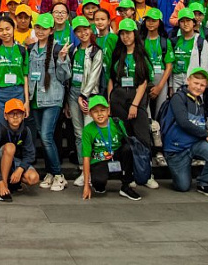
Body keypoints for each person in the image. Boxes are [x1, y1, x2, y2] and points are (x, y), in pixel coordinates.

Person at [106, 18, 156, 189]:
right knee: (124, 140)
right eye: (122, 34)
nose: (125, 37)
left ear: (135, 34)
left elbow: (144, 82)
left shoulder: (141, 54)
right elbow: (111, 80)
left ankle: (147, 173)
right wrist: (110, 101)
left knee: (142, 137)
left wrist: (135, 104)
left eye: (128, 33)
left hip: (136, 98)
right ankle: (128, 176)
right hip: (119, 98)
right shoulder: (117, 54)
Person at [159, 67, 208, 196]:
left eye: (202, 85)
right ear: (188, 80)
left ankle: (203, 183)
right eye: (196, 83)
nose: (198, 87)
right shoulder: (178, 98)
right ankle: (181, 170)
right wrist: (206, 133)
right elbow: (183, 122)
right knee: (183, 187)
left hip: (194, 144)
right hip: (177, 150)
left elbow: (199, 122)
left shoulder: (199, 100)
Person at [27, 12, 71, 191]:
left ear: (51, 30)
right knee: (44, 136)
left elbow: (64, 77)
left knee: (46, 136)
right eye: (38, 27)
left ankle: (59, 174)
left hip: (52, 99)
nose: (40, 31)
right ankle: (51, 173)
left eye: (44, 28)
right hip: (36, 99)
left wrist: (61, 59)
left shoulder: (57, 49)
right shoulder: (31, 49)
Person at [80, 95, 143, 201]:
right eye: (95, 111)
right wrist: (86, 185)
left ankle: (125, 186)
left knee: (128, 148)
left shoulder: (117, 123)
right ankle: (98, 184)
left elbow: (127, 142)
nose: (100, 114)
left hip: (116, 156)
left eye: (103, 110)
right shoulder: (87, 130)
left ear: (108, 110)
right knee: (99, 182)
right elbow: (86, 157)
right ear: (90, 114)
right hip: (100, 158)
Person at [67, 16, 103, 187]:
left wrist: (84, 96)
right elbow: (70, 75)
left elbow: (94, 76)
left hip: (89, 96)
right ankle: (83, 169)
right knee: (78, 133)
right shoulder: (73, 50)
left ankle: (92, 171)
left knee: (89, 133)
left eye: (85, 29)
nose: (83, 33)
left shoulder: (96, 51)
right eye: (79, 30)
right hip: (73, 94)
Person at [0, 15, 30, 128]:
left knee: (17, 128)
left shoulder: (22, 50)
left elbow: (25, 76)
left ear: (13, 29)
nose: (5, 33)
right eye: (1, 30)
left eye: (8, 29)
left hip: (17, 93)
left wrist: (26, 100)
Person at [0, 98, 39, 202]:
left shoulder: (25, 130)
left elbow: (31, 154)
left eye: (19, 114)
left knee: (34, 178)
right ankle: (3, 186)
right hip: (1, 160)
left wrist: (20, 169)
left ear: (24, 115)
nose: (15, 117)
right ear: (5, 116)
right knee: (10, 147)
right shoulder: (0, 129)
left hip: (16, 163)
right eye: (11, 114)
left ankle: (13, 182)